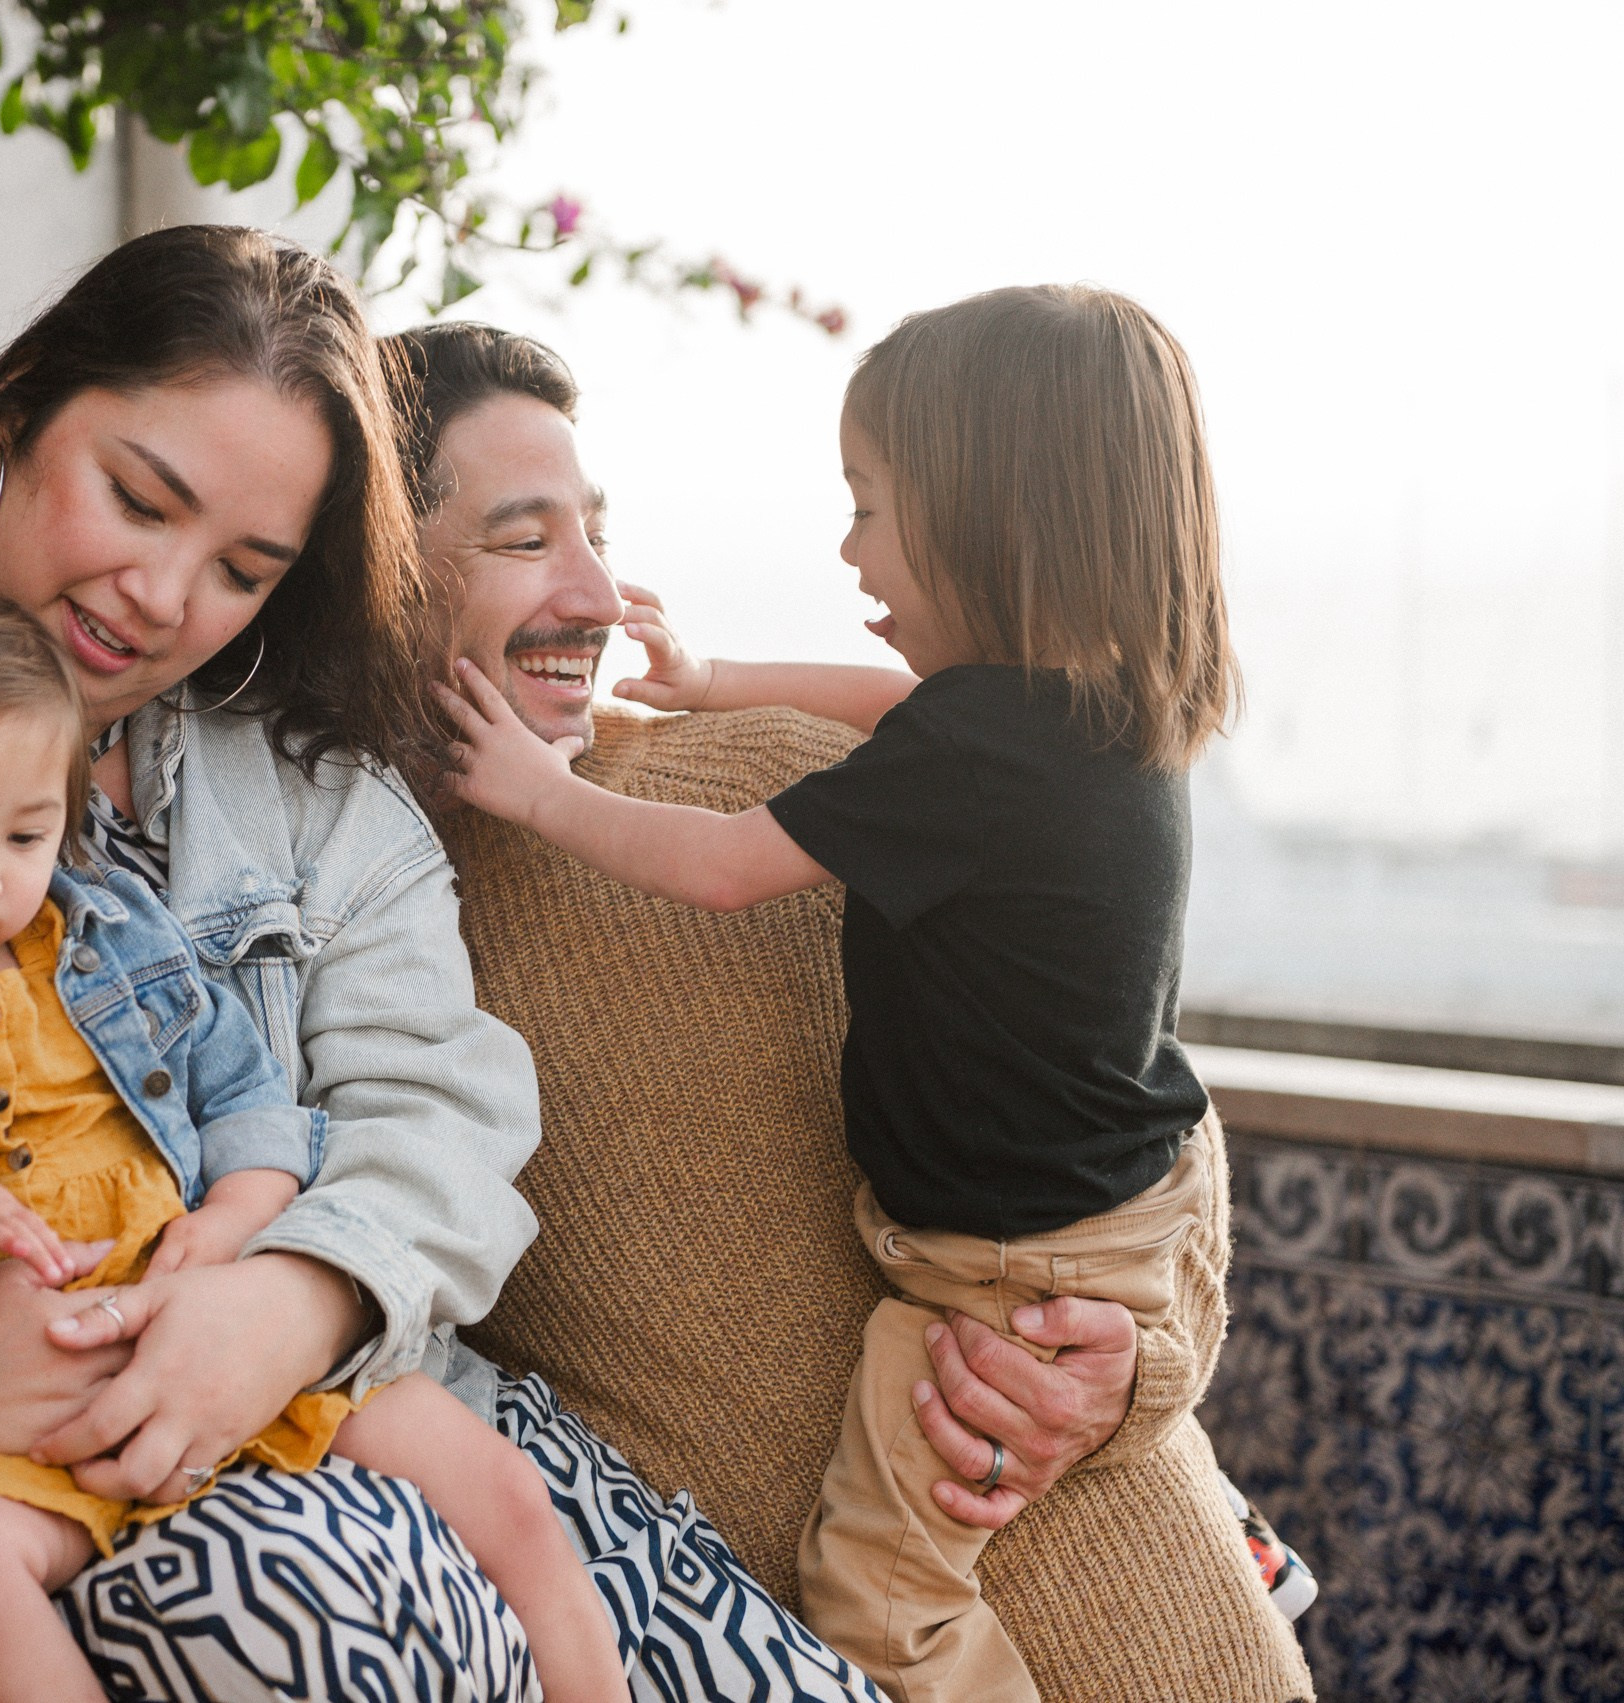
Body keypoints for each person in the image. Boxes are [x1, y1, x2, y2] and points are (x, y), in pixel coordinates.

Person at [0, 225, 880, 1702]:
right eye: (138, 499)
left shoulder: (300, 784)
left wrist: (294, 1297)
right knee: (314, 1620)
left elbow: (444, 1116)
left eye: (242, 568)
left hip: (323, 1385)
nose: (159, 596)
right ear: (13, 421)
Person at [391, 318, 1317, 1703]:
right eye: (528, 539)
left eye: (597, 525)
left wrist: (1143, 1366)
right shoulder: (346, 939)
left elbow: (1145, 1094)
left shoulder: (795, 782)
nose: (597, 589)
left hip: (1173, 1632)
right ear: (376, 577)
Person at [0, 572, 627, 1700]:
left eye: (25, 833)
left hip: (219, 1324)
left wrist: (241, 1214)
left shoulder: (107, 937)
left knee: (499, 1483)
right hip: (21, 1399)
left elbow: (244, 1093)